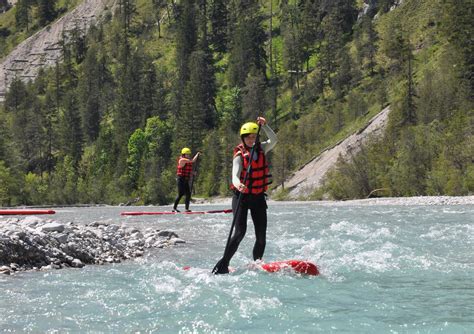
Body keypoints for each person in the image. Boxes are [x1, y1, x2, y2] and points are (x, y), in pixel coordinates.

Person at [213, 116, 277, 274]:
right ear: (243, 138)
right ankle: (224, 264)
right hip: (241, 196)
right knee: (240, 232)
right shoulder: (239, 154)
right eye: (248, 137)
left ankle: (257, 263)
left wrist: (265, 126)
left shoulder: (261, 148)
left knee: (261, 236)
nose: (251, 139)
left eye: (254, 136)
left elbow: (274, 140)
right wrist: (237, 184)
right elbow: (234, 174)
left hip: (258, 197)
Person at [173, 147, 200, 212]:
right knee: (181, 194)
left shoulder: (186, 160)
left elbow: (187, 170)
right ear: (183, 154)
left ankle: (186, 209)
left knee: (188, 194)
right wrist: (197, 154)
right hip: (180, 179)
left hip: (186, 179)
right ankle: (174, 208)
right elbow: (193, 161)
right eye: (186, 154)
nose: (188, 156)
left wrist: (192, 173)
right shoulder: (182, 160)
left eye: (188, 154)